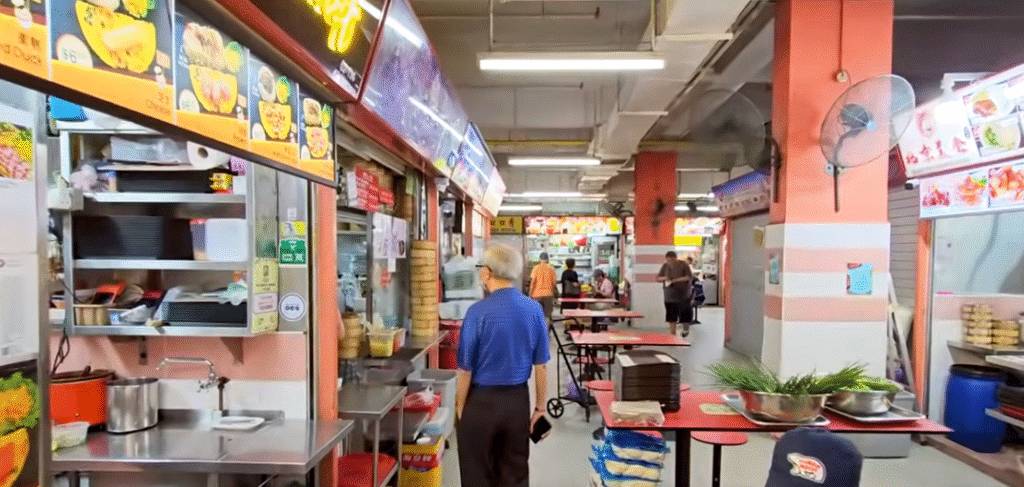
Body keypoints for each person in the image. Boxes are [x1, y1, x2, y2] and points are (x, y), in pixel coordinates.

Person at [457, 244, 551, 487]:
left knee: (476, 473)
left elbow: (465, 369)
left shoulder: (477, 312)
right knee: (514, 472)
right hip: (517, 403)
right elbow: (541, 366)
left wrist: (460, 408)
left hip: (480, 402)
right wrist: (540, 410)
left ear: (487, 272)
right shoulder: (534, 310)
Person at [657, 251, 693, 336]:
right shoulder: (665, 266)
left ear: (676, 258)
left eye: (672, 260)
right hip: (669, 296)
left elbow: (688, 277)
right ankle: (672, 335)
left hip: (683, 295)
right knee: (671, 317)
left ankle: (685, 329)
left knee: (684, 316)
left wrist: (675, 280)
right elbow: (658, 278)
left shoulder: (683, 265)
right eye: (668, 260)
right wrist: (665, 278)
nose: (670, 262)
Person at [529, 252, 557, 322]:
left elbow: (533, 282)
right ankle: (546, 332)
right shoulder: (551, 268)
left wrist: (530, 294)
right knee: (547, 316)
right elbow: (554, 283)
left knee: (536, 316)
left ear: (540, 259)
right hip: (548, 294)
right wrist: (552, 294)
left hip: (536, 295)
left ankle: (537, 332)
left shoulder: (535, 268)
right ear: (547, 259)